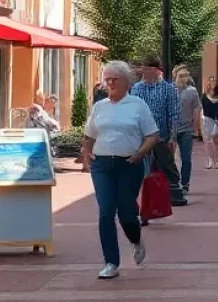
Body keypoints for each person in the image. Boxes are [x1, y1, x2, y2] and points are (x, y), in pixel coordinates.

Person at [81, 59, 158, 280]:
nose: (110, 83)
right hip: (102, 165)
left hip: (129, 165)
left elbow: (152, 135)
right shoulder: (99, 106)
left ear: (127, 82)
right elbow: (89, 136)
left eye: (115, 79)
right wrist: (87, 153)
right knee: (106, 212)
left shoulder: (137, 105)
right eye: (107, 79)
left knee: (126, 212)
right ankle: (111, 262)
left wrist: (140, 154)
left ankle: (136, 239)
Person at [131, 54, 187, 207]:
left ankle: (176, 193)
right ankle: (144, 200)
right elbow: (133, 112)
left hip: (161, 136)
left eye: (148, 69)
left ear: (156, 70)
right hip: (141, 137)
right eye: (144, 69)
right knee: (142, 169)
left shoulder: (168, 88)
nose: (145, 73)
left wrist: (172, 137)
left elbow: (174, 114)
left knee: (167, 165)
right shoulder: (137, 88)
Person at [175, 68, 202, 193]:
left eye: (186, 75)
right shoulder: (171, 90)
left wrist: (196, 129)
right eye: (181, 75)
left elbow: (197, 109)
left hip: (187, 129)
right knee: (171, 159)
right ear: (175, 76)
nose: (184, 78)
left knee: (186, 158)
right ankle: (174, 182)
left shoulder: (192, 91)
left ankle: (185, 183)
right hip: (172, 129)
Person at [202, 76, 218, 169]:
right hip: (208, 119)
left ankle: (217, 160)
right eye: (211, 81)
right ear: (208, 82)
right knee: (208, 141)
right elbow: (203, 107)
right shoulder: (204, 95)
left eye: (214, 81)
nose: (213, 82)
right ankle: (210, 160)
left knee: (216, 141)